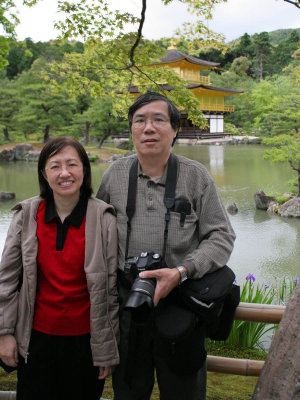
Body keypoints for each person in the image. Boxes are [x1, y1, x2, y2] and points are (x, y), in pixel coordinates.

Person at [96, 92, 236, 400]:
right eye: (140, 121)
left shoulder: (195, 176)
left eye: (159, 120)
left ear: (174, 129)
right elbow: (94, 235)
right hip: (128, 308)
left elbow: (222, 236)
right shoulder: (115, 175)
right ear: (131, 130)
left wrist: (182, 271)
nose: (149, 128)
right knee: (129, 392)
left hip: (181, 306)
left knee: (184, 391)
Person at [0, 136, 119, 400]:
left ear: (84, 170)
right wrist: (5, 334)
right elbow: (6, 281)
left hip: (85, 344)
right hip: (35, 341)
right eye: (54, 166)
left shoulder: (103, 218)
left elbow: (110, 290)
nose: (64, 173)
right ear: (44, 173)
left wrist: (106, 350)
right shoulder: (26, 215)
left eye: (71, 165)